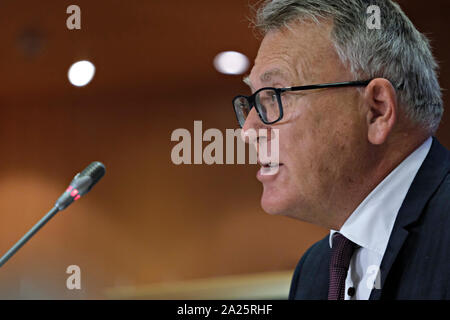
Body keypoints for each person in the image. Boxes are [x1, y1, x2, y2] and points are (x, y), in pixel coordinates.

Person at [232, 0, 449, 299]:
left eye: (275, 96)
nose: (249, 130)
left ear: (377, 110)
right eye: (254, 102)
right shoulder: (313, 270)